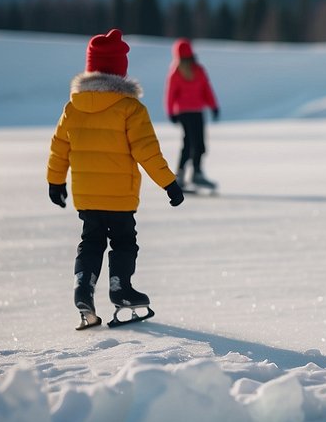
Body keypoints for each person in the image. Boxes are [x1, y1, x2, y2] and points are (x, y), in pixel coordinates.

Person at [47, 28, 185, 329]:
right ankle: (120, 289)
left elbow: (59, 147)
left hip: (87, 196)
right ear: (120, 71)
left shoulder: (73, 107)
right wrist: (169, 184)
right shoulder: (130, 108)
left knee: (90, 242)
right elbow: (147, 152)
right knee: (124, 242)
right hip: (120, 196)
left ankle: (83, 289)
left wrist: (55, 182)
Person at [165, 38, 220, 191]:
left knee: (199, 143)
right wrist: (171, 111)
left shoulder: (197, 70)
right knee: (190, 142)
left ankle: (196, 172)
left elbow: (206, 89)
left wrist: (213, 105)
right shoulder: (176, 72)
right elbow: (170, 94)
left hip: (196, 111)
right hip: (185, 112)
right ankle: (182, 174)